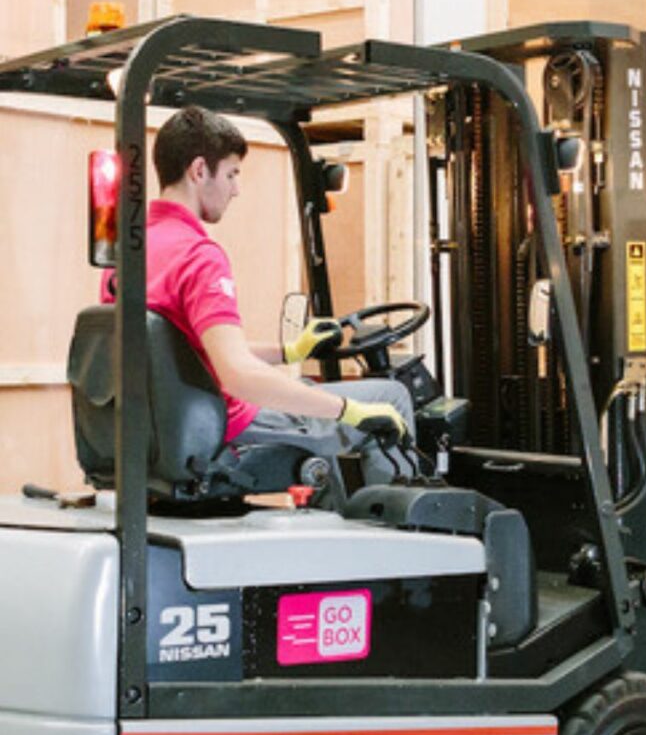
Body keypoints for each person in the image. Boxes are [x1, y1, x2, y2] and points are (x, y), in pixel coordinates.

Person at [101, 105, 414, 486]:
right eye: (232, 173)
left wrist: (290, 352)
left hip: (167, 427)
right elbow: (237, 376)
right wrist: (348, 410)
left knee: (307, 391)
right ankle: (399, 534)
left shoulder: (128, 254)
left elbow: (191, 353)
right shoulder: (199, 257)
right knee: (392, 397)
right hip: (230, 426)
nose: (236, 189)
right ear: (199, 171)